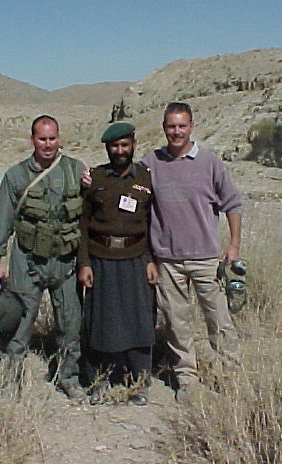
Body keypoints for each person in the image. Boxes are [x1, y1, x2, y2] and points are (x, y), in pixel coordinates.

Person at [140, 102, 243, 399]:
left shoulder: (210, 162)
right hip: (167, 259)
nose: (176, 131)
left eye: (181, 126)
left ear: (191, 127)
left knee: (219, 319)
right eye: (171, 126)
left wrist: (233, 244)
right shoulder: (151, 162)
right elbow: (133, 194)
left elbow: (232, 204)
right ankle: (186, 378)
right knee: (176, 321)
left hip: (207, 258)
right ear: (164, 128)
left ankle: (229, 375)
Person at [0, 115, 87, 400]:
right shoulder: (16, 176)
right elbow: (2, 219)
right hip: (27, 261)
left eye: (52, 138)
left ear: (59, 138)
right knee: (20, 322)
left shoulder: (75, 170)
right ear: (32, 140)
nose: (48, 144)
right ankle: (10, 380)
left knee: (70, 323)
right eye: (42, 139)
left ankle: (68, 377)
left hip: (65, 262)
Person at [77, 122, 157, 406]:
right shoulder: (95, 178)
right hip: (101, 260)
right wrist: (84, 263)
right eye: (114, 146)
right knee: (101, 322)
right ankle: (98, 380)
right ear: (107, 148)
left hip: (136, 259)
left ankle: (138, 382)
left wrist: (150, 260)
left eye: (125, 145)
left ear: (134, 145)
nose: (120, 151)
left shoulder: (147, 178)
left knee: (138, 320)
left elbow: (153, 223)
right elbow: (83, 224)